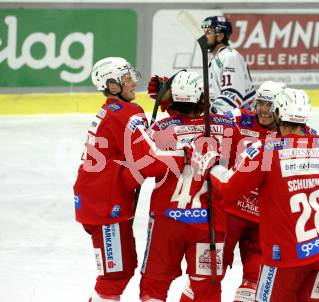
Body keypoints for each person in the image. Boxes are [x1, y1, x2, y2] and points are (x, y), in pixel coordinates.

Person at [198, 87, 319, 301]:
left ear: (278, 113)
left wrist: (213, 165)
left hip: (284, 260)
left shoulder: (265, 150)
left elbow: (228, 189)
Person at [73, 57, 184, 302]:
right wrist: (184, 157)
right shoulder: (128, 113)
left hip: (95, 200)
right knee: (115, 274)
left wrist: (149, 136)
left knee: (120, 268)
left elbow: (134, 158)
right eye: (126, 79)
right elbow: (151, 161)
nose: (133, 82)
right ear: (112, 86)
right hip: (106, 205)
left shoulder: (112, 110)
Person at [139, 70, 242, 302]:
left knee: (153, 286)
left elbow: (144, 165)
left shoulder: (159, 129)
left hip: (167, 220)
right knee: (207, 290)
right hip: (208, 222)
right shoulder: (227, 127)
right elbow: (238, 165)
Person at [201, 15, 256, 113]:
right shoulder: (217, 59)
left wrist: (213, 111)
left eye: (208, 32)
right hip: (227, 118)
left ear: (220, 36)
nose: (204, 36)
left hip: (241, 122)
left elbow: (233, 95)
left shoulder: (230, 57)